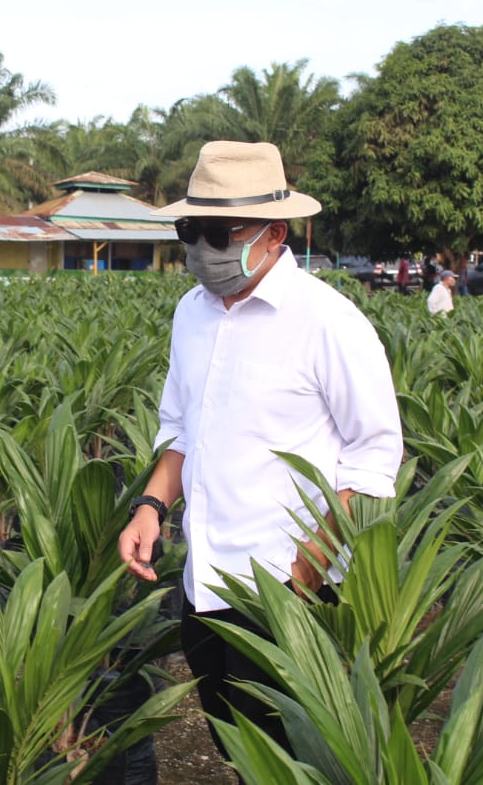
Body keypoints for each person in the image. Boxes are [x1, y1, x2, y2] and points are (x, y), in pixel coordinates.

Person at [117, 141, 403, 761]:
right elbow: (181, 431)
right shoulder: (190, 313)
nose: (202, 249)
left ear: (276, 232)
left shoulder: (329, 321)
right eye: (191, 230)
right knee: (235, 748)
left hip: (287, 589)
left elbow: (374, 460)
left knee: (288, 760)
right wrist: (150, 507)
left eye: (222, 232)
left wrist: (302, 580)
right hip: (204, 581)